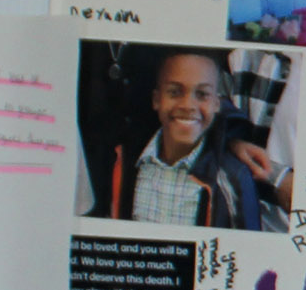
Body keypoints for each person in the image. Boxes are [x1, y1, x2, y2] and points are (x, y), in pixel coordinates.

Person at [81, 48, 286, 230]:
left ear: (217, 103)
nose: (188, 104)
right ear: (156, 100)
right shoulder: (125, 163)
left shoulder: (233, 178)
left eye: (202, 94)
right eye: (175, 92)